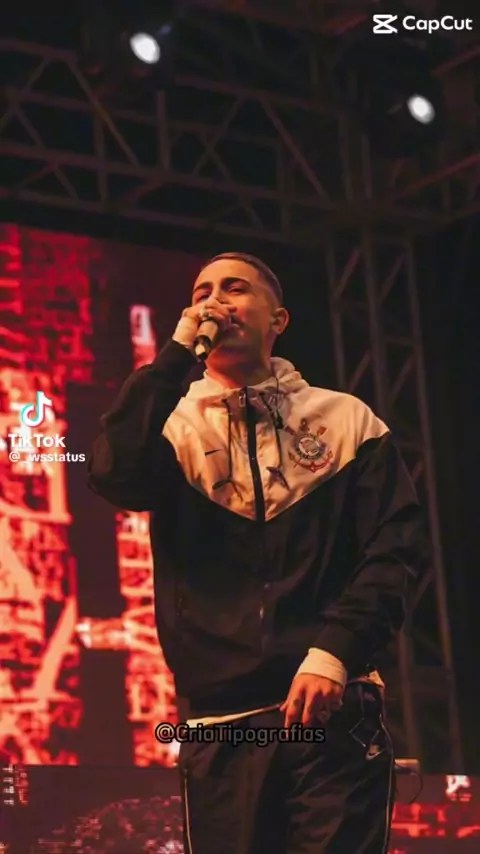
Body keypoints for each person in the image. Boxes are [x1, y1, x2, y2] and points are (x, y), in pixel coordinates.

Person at [87, 252, 425, 854]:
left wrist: (335, 652)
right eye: (202, 292)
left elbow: (394, 551)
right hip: (223, 724)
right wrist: (175, 357)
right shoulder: (175, 428)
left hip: (332, 706)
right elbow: (115, 476)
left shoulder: (346, 421)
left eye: (235, 288)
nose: (215, 301)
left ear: (278, 319)